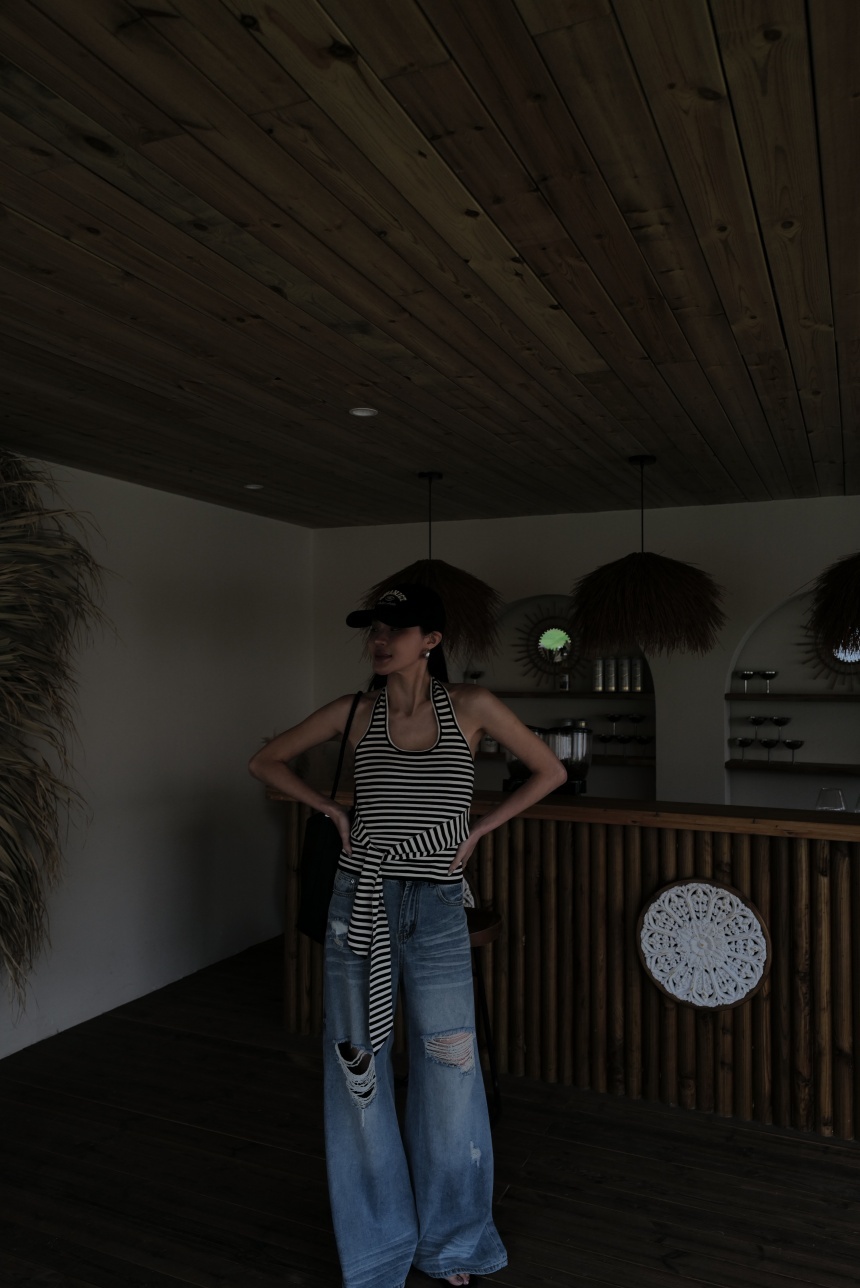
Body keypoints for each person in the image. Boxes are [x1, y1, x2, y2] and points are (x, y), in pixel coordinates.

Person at [249, 584, 566, 1288]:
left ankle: (452, 1241)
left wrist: (479, 829)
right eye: (373, 630)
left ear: (431, 640)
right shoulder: (354, 711)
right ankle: (377, 1244)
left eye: (396, 629)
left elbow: (551, 771)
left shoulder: (472, 706)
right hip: (359, 899)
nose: (380, 641)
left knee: (450, 1070)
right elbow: (265, 761)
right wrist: (330, 810)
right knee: (357, 1070)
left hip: (437, 903)